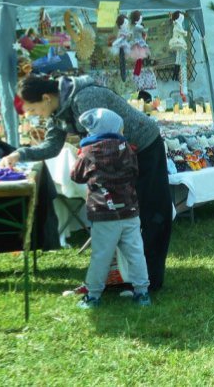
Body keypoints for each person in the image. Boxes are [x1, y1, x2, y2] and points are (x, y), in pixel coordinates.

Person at [0, 74, 172, 291]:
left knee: (150, 214)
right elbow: (52, 147)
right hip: (122, 155)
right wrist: (20, 154)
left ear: (45, 98)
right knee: (122, 218)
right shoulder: (59, 112)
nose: (35, 115)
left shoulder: (84, 98)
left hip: (144, 147)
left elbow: (104, 143)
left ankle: (150, 280)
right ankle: (129, 277)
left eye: (33, 110)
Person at [71, 108, 151, 309]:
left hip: (104, 214)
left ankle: (94, 296)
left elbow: (76, 176)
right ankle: (142, 293)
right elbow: (135, 171)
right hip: (130, 211)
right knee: (135, 253)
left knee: (101, 256)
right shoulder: (127, 149)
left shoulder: (87, 152)